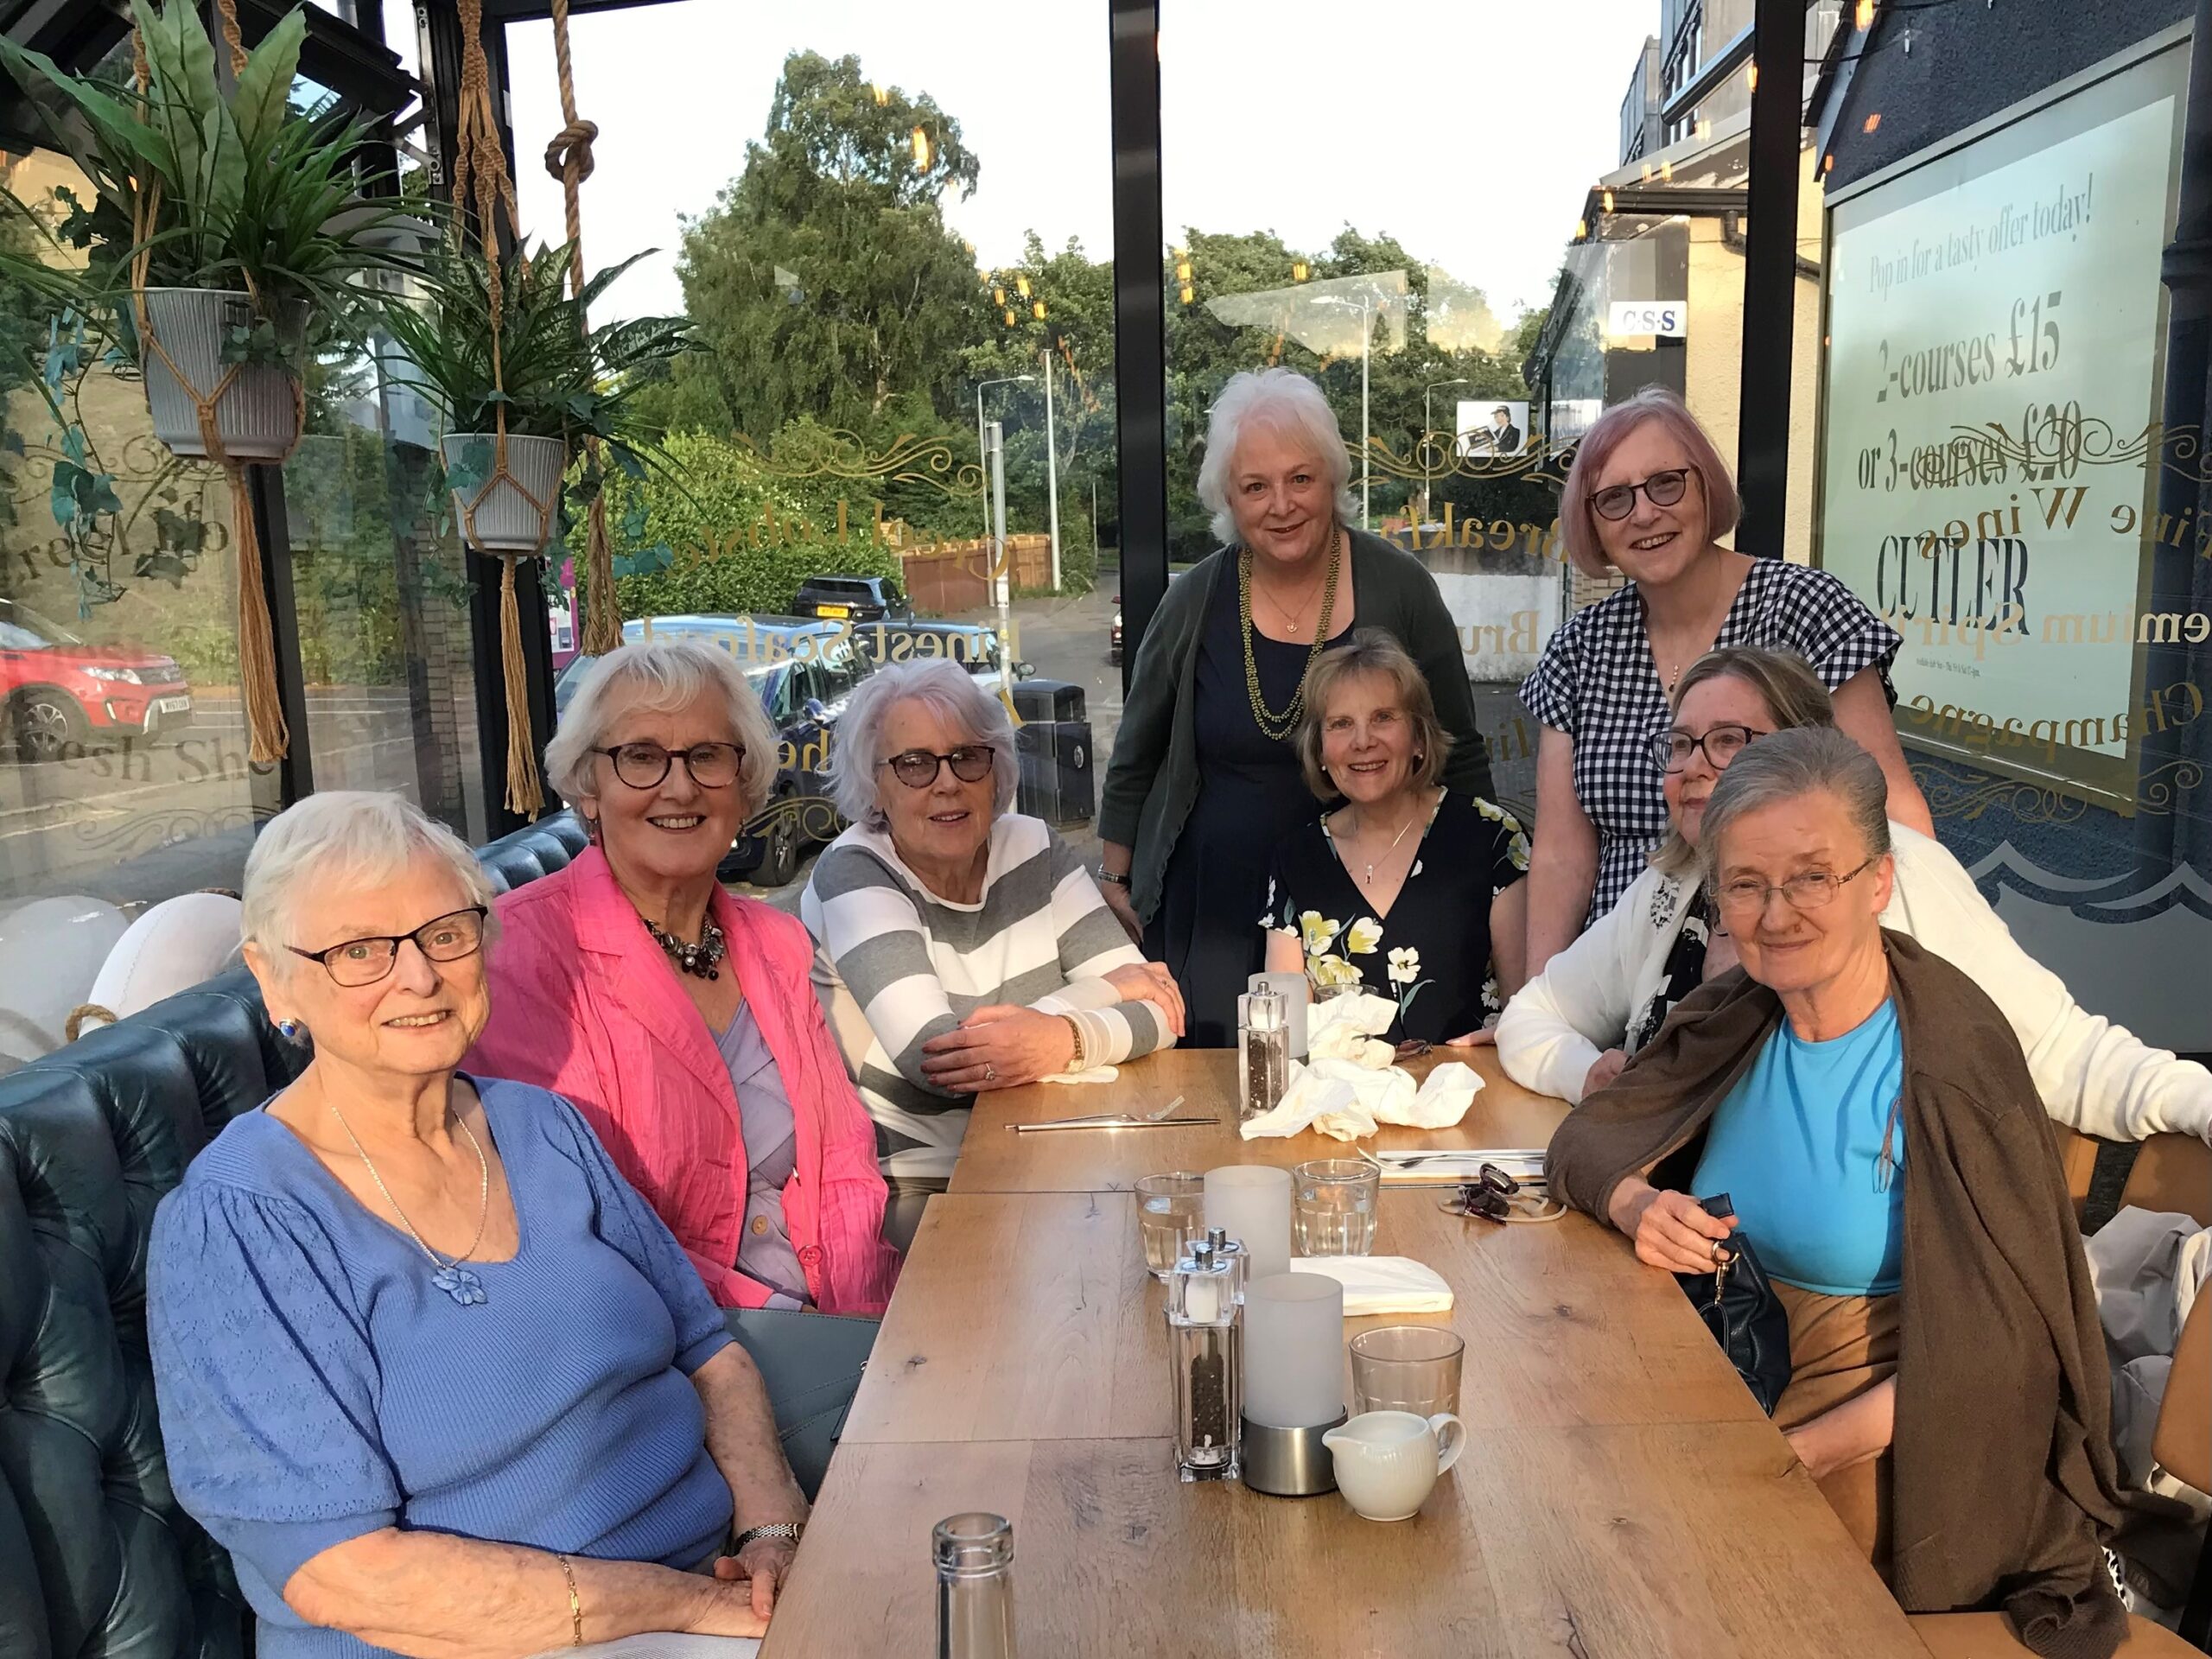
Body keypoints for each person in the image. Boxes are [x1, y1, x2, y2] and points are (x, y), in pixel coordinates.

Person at [148, 792, 805, 1658]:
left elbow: (706, 1348)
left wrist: (773, 1533)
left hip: (703, 1593)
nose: (419, 977)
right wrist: (684, 1608)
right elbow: (341, 1573)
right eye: (359, 951)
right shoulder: (241, 1224)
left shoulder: (543, 1125)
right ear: (273, 979)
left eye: (445, 933)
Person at [1548, 730, 2129, 1657]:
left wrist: (1791, 1458)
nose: (1775, 914)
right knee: (1557, 1524)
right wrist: (1635, 1205)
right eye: (1745, 884)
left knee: (1669, 1598)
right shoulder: (1736, 1019)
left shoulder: (1950, 1059)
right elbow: (1584, 1141)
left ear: (1879, 881)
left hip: (1897, 1425)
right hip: (1724, 1366)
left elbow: (2006, 1358)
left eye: (1811, 877)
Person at [1499, 647, 2212, 1144]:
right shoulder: (1673, 885)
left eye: (1729, 741)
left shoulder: (1891, 874)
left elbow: (2059, 1049)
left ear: (1806, 752)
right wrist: (1585, 1074)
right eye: (1680, 745)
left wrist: (2196, 1102)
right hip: (1660, 1235)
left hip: (1836, 1277)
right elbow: (1534, 1014)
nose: (1694, 767)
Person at [470, 639, 901, 1316]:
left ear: (744, 786)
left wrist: (860, 1316)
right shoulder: (514, 958)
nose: (680, 787)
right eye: (641, 756)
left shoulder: (777, 942)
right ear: (588, 788)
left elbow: (843, 1158)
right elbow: (583, 1225)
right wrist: (787, 1323)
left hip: (830, 1310)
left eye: (706, 756)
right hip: (665, 1340)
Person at [1100, 366, 1495, 1046]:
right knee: (1226, 1083)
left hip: (1364, 905)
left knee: (1373, 1074)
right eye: (1256, 486)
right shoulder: (1193, 601)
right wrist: (1114, 877)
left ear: (1332, 478)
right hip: (1215, 910)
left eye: (1300, 478)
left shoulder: (1400, 588)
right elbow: (1137, 755)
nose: (1281, 504)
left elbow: (1456, 746)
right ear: (1229, 498)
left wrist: (1478, 880)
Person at [1520, 385, 1929, 975]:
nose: (1644, 513)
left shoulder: (1806, 612)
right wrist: (1538, 1000)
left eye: (1666, 483)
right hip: (1612, 979)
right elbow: (1562, 856)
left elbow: (1889, 810)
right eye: (1614, 498)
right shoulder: (1579, 650)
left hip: (1774, 969)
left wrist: (1903, 979)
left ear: (1705, 486)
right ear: (1592, 523)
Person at [804, 659, 1183, 1229]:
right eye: (914, 764)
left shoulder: (1031, 845)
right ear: (875, 786)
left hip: (1055, 1153)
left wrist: (1061, 1039)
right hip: (921, 1182)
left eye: (967, 756)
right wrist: (1100, 995)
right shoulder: (854, 872)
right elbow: (939, 1060)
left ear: (996, 768)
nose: (947, 782)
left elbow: (1161, 1014)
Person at [1262, 629, 1529, 1043]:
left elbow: (1526, 1016)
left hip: (1471, 1081)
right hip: (1339, 1084)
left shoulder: (1492, 838)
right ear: (1320, 750)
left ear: (1419, 737)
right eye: (1341, 724)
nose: (1363, 741)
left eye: (1383, 717)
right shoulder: (1296, 858)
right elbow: (1286, 1034)